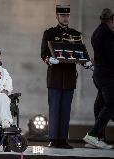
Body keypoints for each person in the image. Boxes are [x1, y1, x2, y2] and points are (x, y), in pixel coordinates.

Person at [40, 4, 90, 149]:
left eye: (67, 15)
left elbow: (79, 53)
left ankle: (63, 140)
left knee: (66, 110)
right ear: (57, 16)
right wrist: (49, 60)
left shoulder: (75, 34)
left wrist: (85, 62)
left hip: (69, 76)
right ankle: (53, 139)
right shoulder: (49, 33)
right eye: (62, 15)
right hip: (55, 76)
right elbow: (43, 53)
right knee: (54, 109)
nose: (65, 18)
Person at [83, 8, 114, 149]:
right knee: (111, 105)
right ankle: (94, 135)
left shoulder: (96, 32)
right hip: (107, 74)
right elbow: (110, 56)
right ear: (111, 19)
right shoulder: (108, 34)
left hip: (99, 74)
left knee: (100, 105)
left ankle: (97, 138)